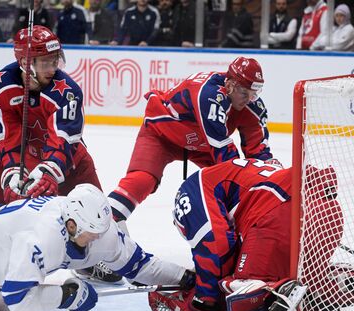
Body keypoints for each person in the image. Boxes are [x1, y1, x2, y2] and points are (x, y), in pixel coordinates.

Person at [0, 184, 194, 311]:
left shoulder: (100, 231)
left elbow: (141, 265)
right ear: (70, 224)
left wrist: (183, 276)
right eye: (89, 234)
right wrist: (66, 296)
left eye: (100, 233)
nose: (95, 240)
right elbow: (18, 302)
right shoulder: (42, 238)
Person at [147, 159, 344, 311]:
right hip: (328, 215)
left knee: (239, 291)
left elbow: (215, 251)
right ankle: (348, 286)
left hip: (282, 217)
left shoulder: (189, 194)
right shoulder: (232, 175)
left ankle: (277, 292)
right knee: (309, 280)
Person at [107, 57, 276, 224]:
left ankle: (247, 231)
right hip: (162, 135)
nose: (248, 100)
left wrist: (270, 183)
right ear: (230, 85)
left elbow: (259, 155)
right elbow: (224, 155)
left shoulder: (252, 107)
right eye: (244, 93)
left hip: (203, 147)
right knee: (142, 180)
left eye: (254, 94)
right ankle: (103, 223)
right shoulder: (209, 94)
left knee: (233, 190)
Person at [0, 25, 102, 206]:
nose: (53, 69)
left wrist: (49, 170)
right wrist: (11, 172)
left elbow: (62, 139)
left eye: (55, 60)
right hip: (19, 160)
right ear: (25, 64)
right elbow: (7, 137)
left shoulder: (67, 91)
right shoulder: (0, 88)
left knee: (102, 223)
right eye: (46, 62)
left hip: (70, 164)